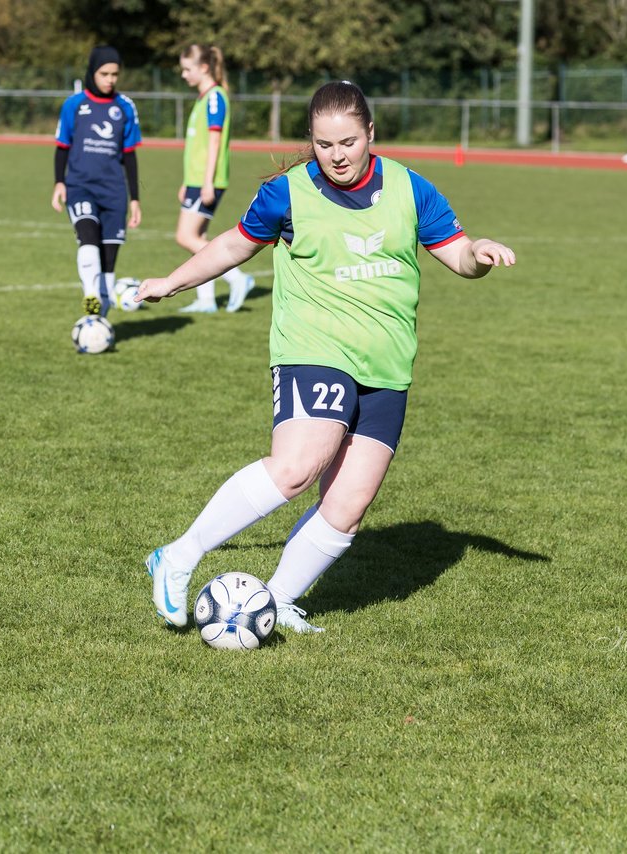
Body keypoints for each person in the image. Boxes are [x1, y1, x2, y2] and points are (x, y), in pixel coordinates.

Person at [135, 81, 516, 634]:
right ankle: (179, 555)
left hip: (386, 365)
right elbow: (234, 244)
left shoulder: (411, 189)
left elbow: (456, 255)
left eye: (347, 142)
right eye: (322, 144)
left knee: (348, 504)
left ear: (370, 135)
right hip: (313, 347)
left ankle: (278, 599)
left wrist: (477, 254)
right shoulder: (288, 194)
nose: (336, 155)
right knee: (296, 466)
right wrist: (172, 281)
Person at [51, 45, 142, 318]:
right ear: (93, 72)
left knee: (109, 260)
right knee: (88, 236)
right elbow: (62, 146)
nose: (110, 79)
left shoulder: (125, 107)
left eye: (115, 74)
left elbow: (130, 155)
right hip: (80, 187)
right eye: (104, 73)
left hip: (114, 191)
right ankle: (90, 293)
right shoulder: (74, 105)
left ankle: (98, 321)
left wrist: (135, 198)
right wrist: (59, 182)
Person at [173, 44, 255, 314]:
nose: (183, 75)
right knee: (198, 235)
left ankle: (237, 278)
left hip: (208, 181)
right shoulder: (203, 97)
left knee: (185, 236)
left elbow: (215, 141)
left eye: (188, 69)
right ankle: (206, 299)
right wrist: (187, 181)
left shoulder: (215, 98)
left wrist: (207, 181)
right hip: (196, 180)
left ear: (204, 67)